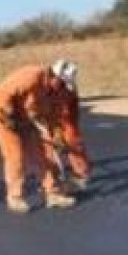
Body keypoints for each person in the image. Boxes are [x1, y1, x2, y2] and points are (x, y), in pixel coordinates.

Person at [0, 61, 79, 213]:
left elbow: (54, 117)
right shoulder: (31, 76)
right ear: (53, 75)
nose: (62, 88)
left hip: (24, 117)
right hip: (1, 113)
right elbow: (4, 94)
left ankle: (53, 194)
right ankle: (14, 197)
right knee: (16, 155)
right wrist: (8, 117)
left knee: (42, 154)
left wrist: (57, 136)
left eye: (64, 85)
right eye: (61, 83)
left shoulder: (57, 92)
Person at [43, 61, 93, 194]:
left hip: (66, 119)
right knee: (50, 147)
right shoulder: (46, 82)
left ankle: (81, 174)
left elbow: (66, 110)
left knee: (73, 143)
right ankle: (54, 177)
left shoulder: (68, 88)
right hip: (52, 117)